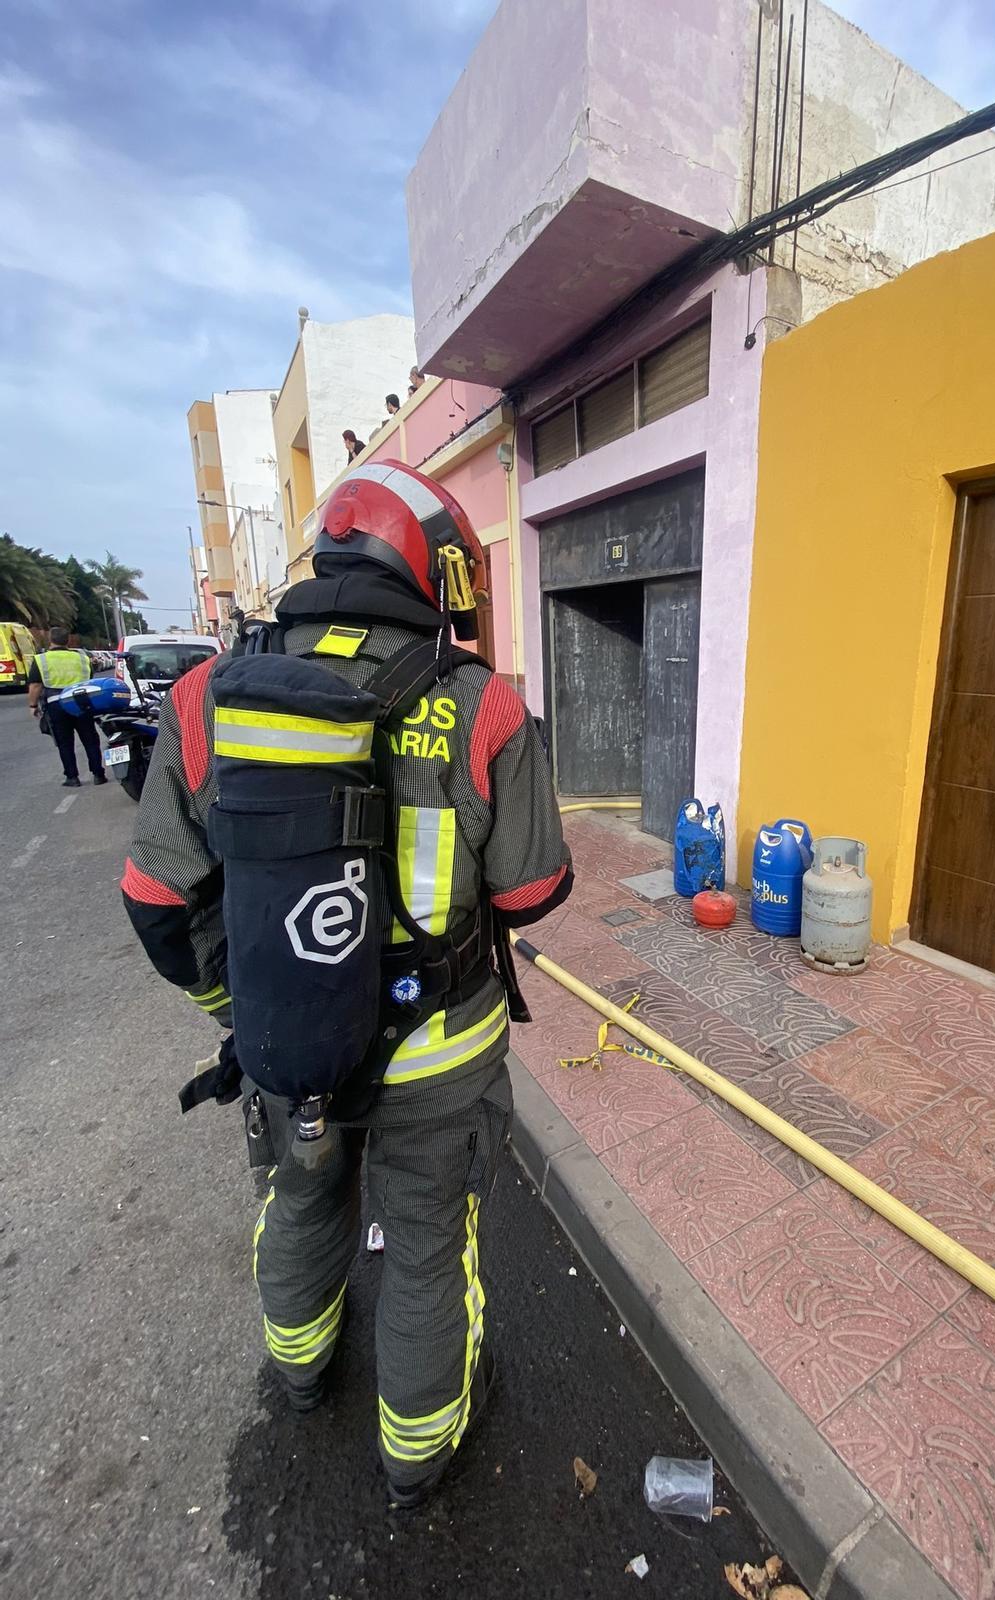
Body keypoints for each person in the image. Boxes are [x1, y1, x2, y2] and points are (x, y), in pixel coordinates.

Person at [120, 460, 572, 1509]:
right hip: (439, 1060)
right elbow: (532, 891)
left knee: (302, 1199)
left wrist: (245, 1012)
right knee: (424, 1250)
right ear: (430, 568)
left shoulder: (208, 695)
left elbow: (155, 898)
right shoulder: (483, 704)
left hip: (291, 1043)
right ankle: (418, 1457)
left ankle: (301, 1373)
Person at [28, 626, 106, 787]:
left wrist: (33, 705)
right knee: (90, 739)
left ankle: (72, 777)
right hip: (81, 703)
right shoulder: (82, 658)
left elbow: (35, 686)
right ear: (68, 640)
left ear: (50, 639)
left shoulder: (41, 660)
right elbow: (90, 679)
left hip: (56, 704)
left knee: (65, 743)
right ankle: (98, 774)